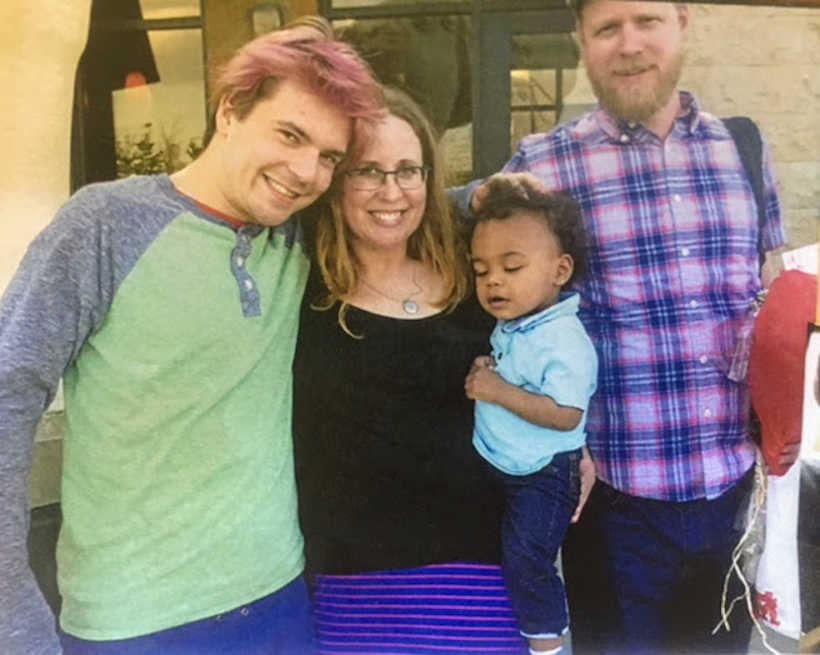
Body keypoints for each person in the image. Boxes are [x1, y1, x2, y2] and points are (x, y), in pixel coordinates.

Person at [0, 17, 381, 655]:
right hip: (133, 622)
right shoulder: (106, 223)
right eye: (290, 135)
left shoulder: (297, 237)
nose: (304, 171)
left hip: (278, 599)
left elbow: (405, 212)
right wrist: (10, 615)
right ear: (231, 111)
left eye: (327, 158)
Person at [456, 1, 787, 652]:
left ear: (683, 24)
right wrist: (469, 194)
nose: (629, 43)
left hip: (733, 497)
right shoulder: (544, 165)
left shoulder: (744, 147)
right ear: (581, 39)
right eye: (607, 28)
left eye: (647, 21)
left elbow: (769, 300)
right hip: (612, 505)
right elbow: (439, 221)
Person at [293, 85, 594, 654]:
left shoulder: (474, 281)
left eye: (409, 170)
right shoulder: (303, 286)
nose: (391, 191)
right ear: (335, 179)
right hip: (354, 587)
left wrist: (572, 445)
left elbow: (547, 364)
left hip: (481, 579)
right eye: (367, 171)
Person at [464, 179, 597, 655]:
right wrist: (493, 369)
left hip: (544, 473)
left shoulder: (563, 338)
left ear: (560, 269)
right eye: (481, 271)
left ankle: (549, 645)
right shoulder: (520, 321)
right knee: (500, 551)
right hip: (505, 461)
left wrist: (496, 390)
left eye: (512, 266)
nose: (493, 280)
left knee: (528, 560)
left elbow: (565, 414)